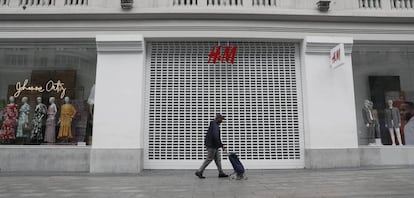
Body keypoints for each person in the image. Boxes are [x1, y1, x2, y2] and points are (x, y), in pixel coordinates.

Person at [195, 113, 229, 179]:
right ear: (217, 118)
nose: (222, 121)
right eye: (221, 119)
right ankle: (199, 171)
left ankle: (221, 173)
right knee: (209, 159)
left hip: (214, 145)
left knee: (218, 160)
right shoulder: (215, 126)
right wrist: (222, 146)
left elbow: (216, 137)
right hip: (212, 146)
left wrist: (220, 145)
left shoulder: (214, 124)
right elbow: (216, 137)